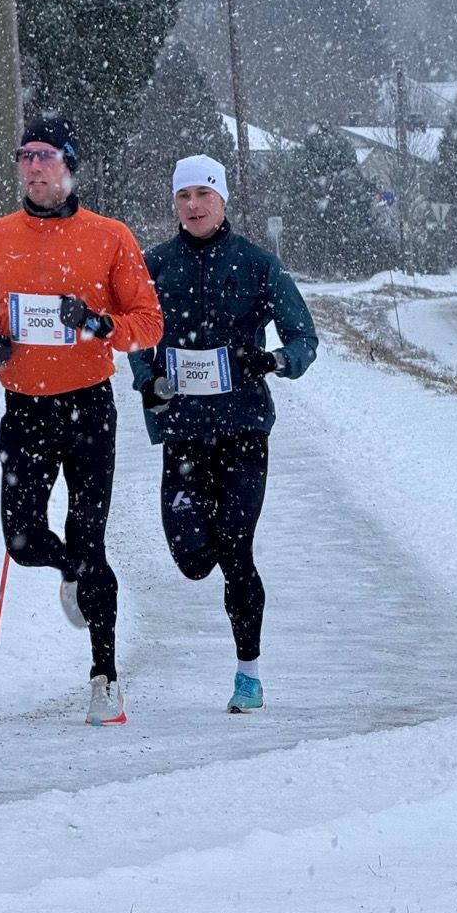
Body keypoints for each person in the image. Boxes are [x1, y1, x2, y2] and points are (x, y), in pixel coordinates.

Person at [0, 113, 163, 726]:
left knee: (89, 534)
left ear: (70, 166)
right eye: (25, 156)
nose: (33, 167)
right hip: (24, 409)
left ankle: (105, 677)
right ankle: (74, 570)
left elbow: (148, 323)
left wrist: (99, 324)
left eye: (45, 156)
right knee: (23, 541)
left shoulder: (110, 237)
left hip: (88, 410)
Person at [128, 154, 318, 714]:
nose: (193, 206)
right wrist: (148, 379)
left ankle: (248, 676)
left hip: (242, 429)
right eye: (183, 196)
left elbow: (303, 337)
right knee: (192, 560)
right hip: (183, 432)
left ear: (222, 200)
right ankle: (207, 541)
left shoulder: (258, 264)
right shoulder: (153, 265)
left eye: (203, 195)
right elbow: (136, 333)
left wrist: (274, 360)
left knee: (236, 550)